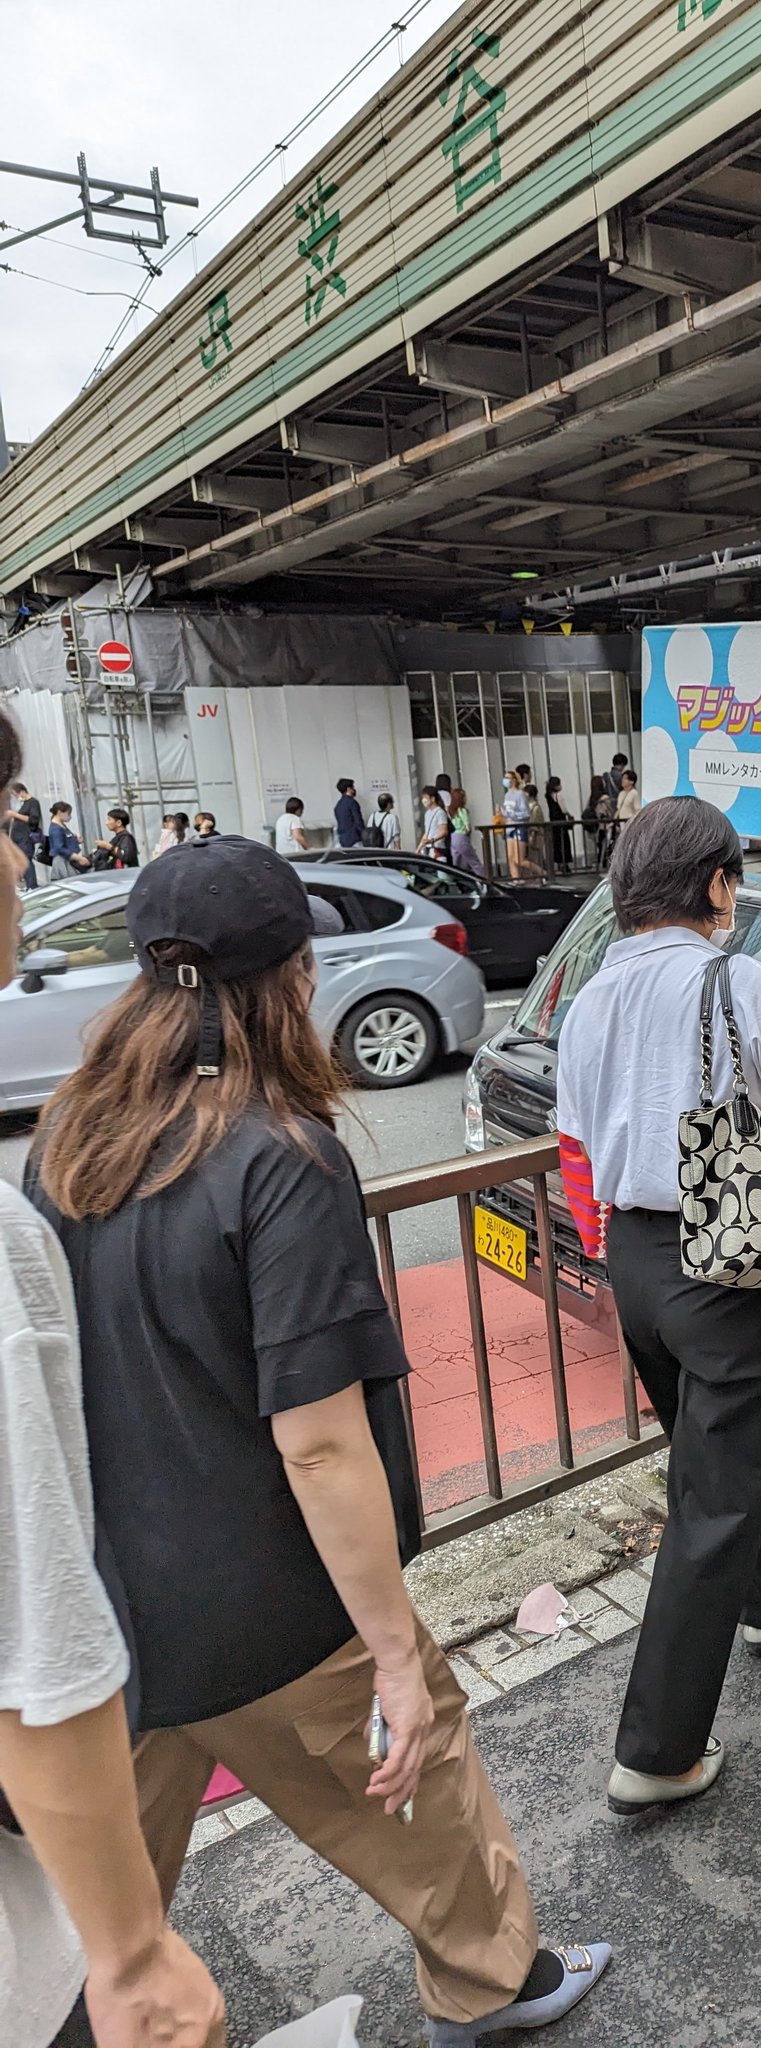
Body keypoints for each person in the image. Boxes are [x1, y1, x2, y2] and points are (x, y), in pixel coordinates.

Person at [26, 839, 612, 2041]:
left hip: (106, 1623)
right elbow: (321, 1444)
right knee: (424, 1774)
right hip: (270, 1607)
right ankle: (490, 1983)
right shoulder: (278, 1158)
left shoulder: (64, 1142)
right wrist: (396, 1648)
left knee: (100, 1928)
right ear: (293, 975)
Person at [0, 714, 227, 2048]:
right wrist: (132, 1953)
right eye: (10, 817)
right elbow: (39, 1651)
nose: (21, 859)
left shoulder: (76, 1119)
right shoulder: (272, 1155)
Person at [557, 798, 761, 1817]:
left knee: (712, 1449)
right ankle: (656, 1746)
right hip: (731, 1256)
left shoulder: (589, 994)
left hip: (634, 1253)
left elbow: (579, 1143)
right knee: (712, 1491)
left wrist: (608, 1255)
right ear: (717, 884)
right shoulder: (738, 977)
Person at [7, 783, 41, 891]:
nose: (16, 797)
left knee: (26, 860)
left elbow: (33, 820)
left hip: (25, 837)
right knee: (20, 860)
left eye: (16, 794)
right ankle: (28, 884)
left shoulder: (33, 803)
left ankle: (32, 885)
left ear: (22, 791)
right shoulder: (23, 804)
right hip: (17, 837)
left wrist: (15, 815)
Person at [47, 804, 91, 879]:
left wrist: (75, 840)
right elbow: (59, 848)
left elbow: (65, 840)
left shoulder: (61, 825)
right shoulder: (56, 829)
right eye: (68, 813)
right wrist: (78, 858)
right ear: (60, 812)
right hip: (63, 861)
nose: (70, 816)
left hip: (68, 860)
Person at [449, 787, 485, 878]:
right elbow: (467, 827)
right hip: (461, 837)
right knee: (474, 862)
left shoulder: (451, 811)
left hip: (453, 837)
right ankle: (484, 880)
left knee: (455, 863)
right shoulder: (462, 810)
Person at [501, 768, 531, 876]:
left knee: (519, 859)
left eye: (507, 778)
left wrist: (512, 815)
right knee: (510, 857)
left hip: (519, 827)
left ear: (514, 780)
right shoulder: (507, 795)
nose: (505, 780)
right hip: (509, 828)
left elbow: (526, 813)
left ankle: (543, 873)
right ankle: (516, 880)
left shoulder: (520, 794)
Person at [583, 775, 616, 870]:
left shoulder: (592, 798)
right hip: (606, 825)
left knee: (600, 845)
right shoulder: (605, 798)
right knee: (608, 845)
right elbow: (608, 812)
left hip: (596, 826)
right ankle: (606, 864)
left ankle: (599, 863)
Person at [545, 777, 573, 874]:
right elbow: (564, 809)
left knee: (557, 843)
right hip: (561, 821)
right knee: (564, 842)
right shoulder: (558, 795)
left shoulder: (548, 796)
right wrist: (569, 815)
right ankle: (565, 864)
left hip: (554, 822)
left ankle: (559, 863)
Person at [419, 785, 451, 862]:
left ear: (433, 799)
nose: (424, 800)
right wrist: (418, 848)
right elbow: (426, 833)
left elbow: (444, 831)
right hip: (428, 848)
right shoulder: (427, 813)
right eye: (423, 797)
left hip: (438, 849)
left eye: (426, 797)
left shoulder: (440, 812)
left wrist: (432, 840)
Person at [333, 778, 365, 850]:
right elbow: (358, 822)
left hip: (342, 840)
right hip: (355, 839)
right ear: (348, 789)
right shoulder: (352, 803)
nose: (354, 789)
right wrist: (364, 835)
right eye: (353, 787)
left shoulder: (338, 805)